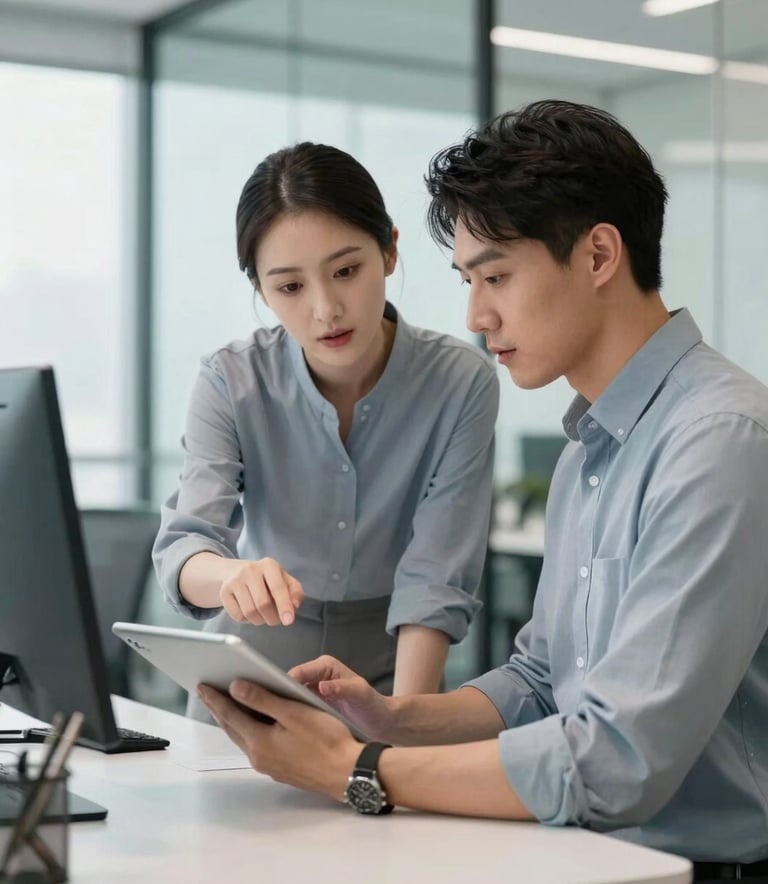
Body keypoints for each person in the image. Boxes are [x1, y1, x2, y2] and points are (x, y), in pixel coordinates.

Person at [197, 100, 768, 883]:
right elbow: (541, 682)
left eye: (495, 276)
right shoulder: (589, 452)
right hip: (585, 855)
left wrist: (355, 765)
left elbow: (619, 760)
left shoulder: (719, 442)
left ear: (599, 255)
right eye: (469, 280)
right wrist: (392, 717)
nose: (476, 314)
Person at [153, 142, 499, 721]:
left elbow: (435, 579)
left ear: (389, 250)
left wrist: (401, 725)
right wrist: (233, 576)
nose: (325, 309)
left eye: (346, 271)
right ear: (262, 290)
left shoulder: (460, 381)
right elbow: (184, 549)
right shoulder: (230, 380)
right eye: (289, 287)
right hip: (248, 670)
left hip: (391, 668)